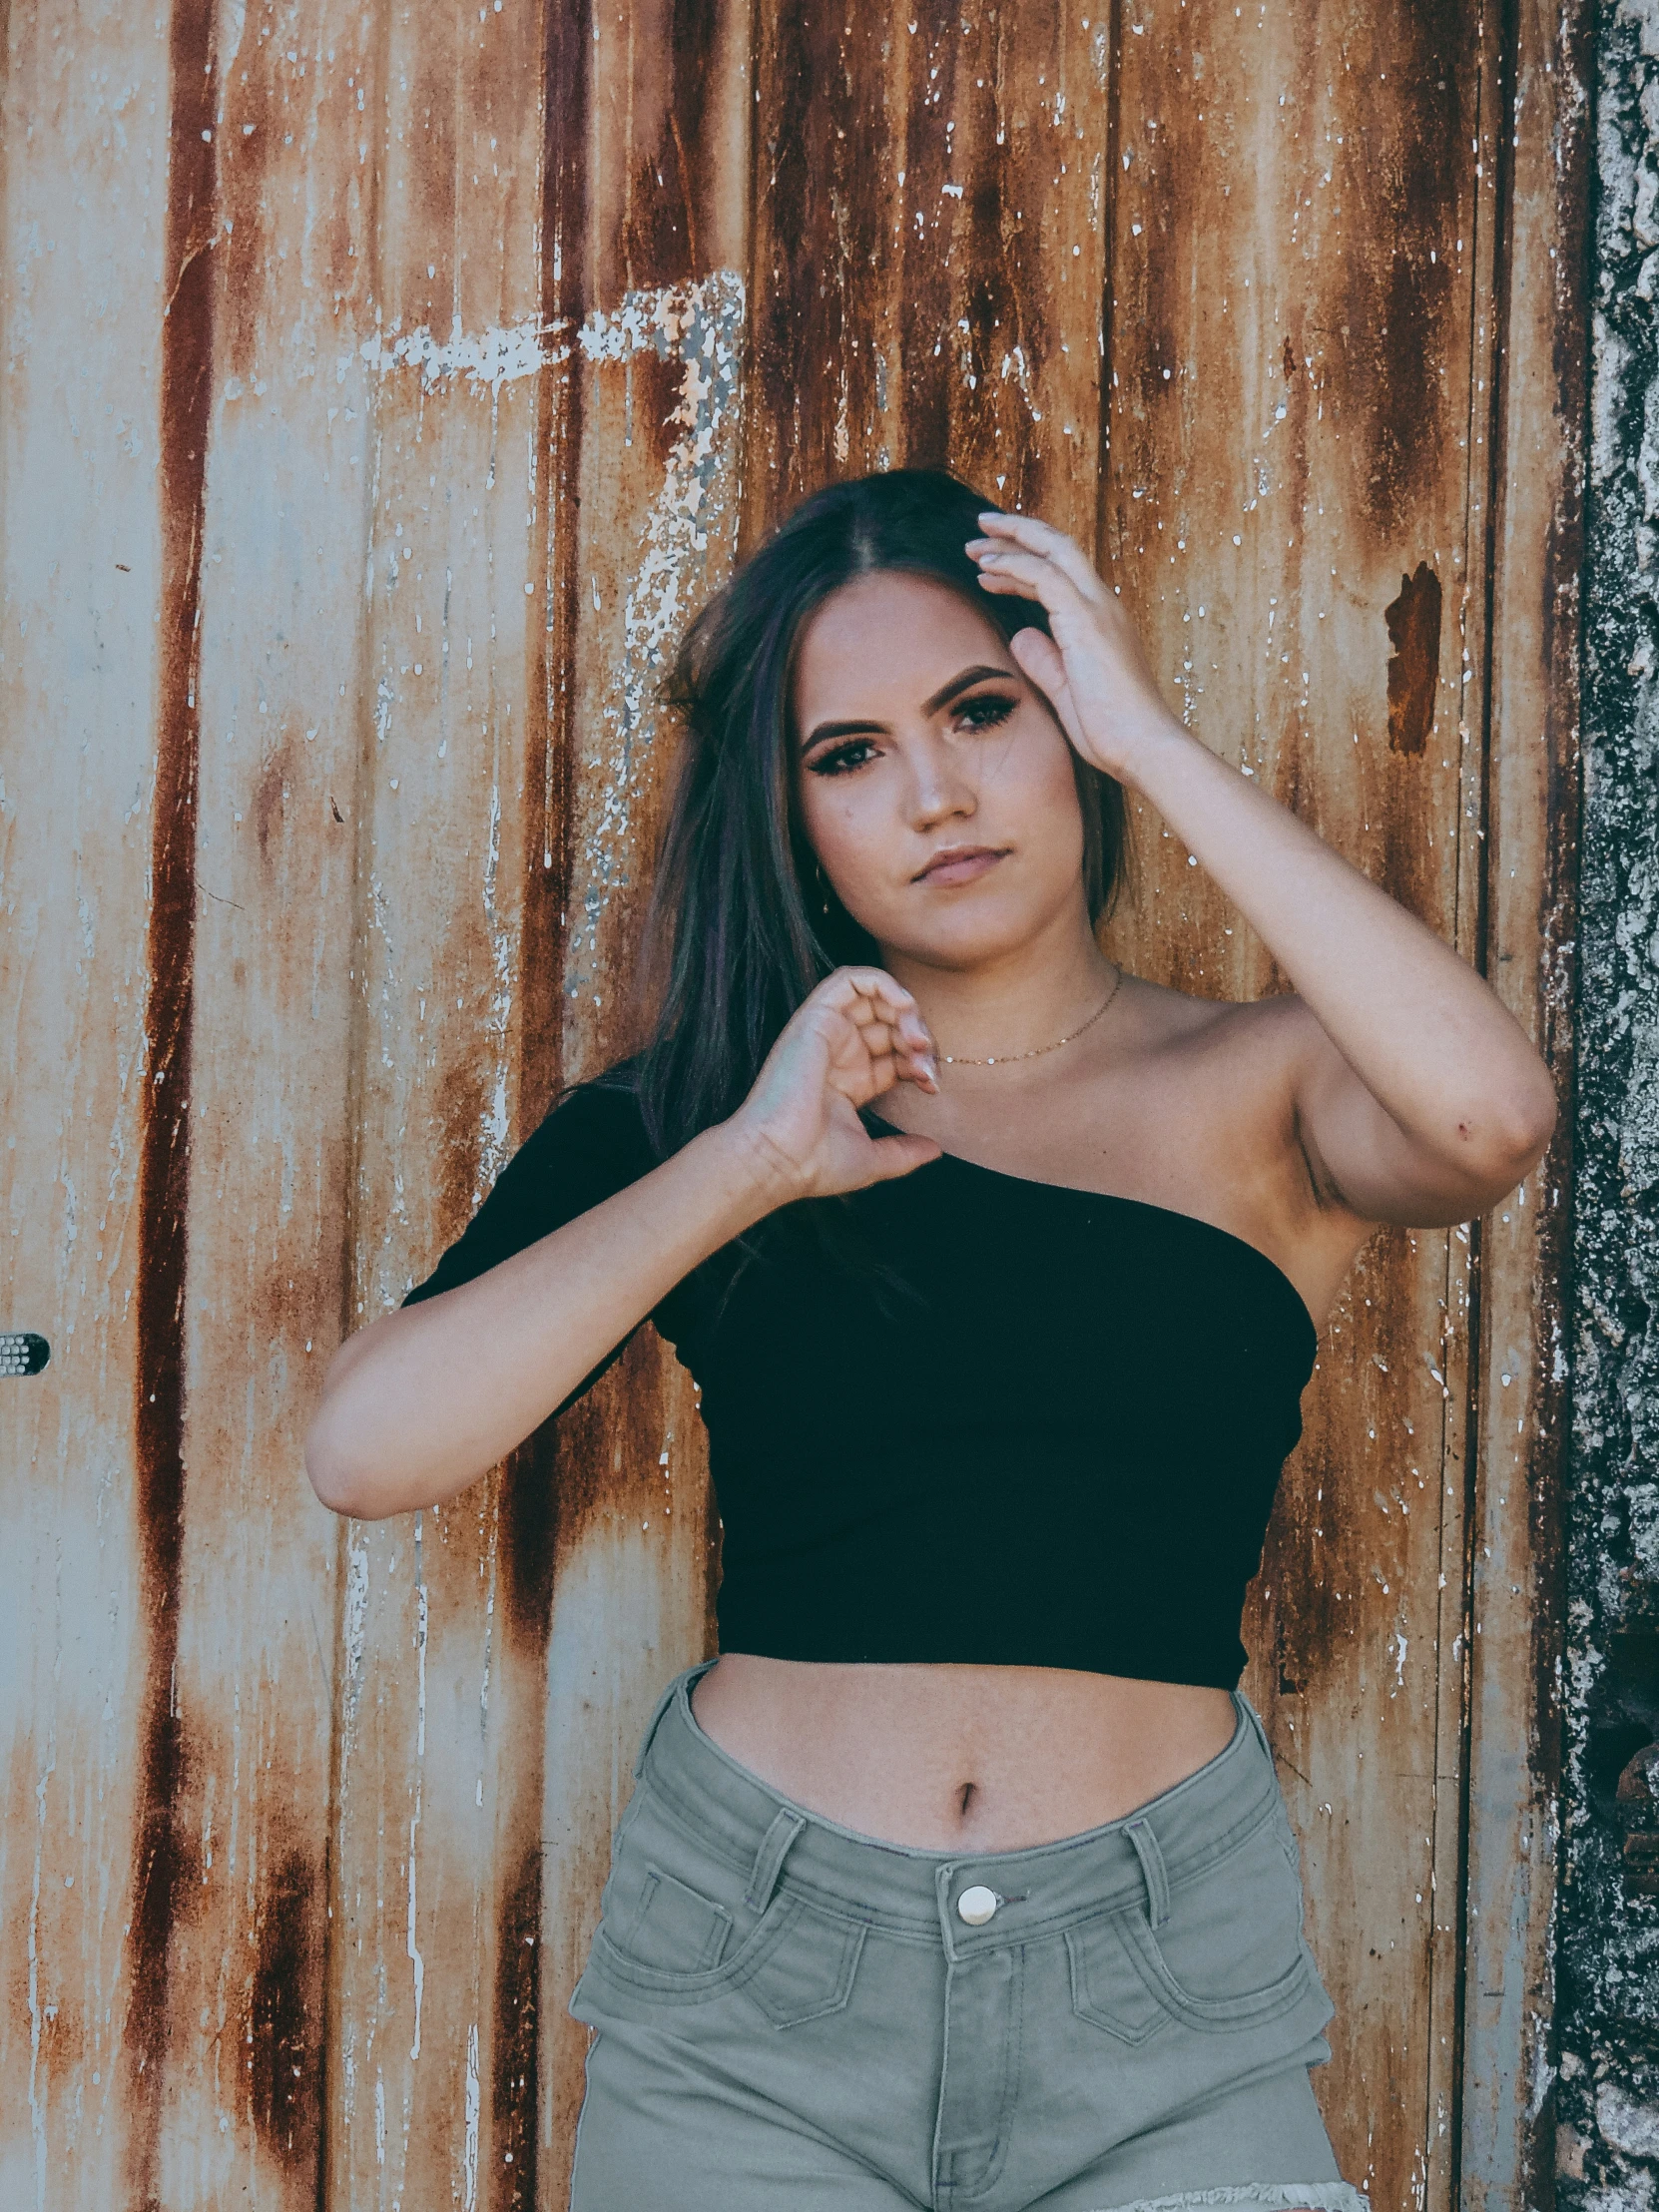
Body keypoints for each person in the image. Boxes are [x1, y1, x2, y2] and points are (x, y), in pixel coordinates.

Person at [305, 468, 1557, 2212]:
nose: (937, 794)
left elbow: (1489, 1117)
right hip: (754, 1993)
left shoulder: (1263, 1086)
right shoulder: (699, 1122)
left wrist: (1155, 743)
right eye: (849, 754)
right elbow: (367, 1449)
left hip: (1160, 2003)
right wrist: (749, 1161)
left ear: (1066, 724)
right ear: (789, 814)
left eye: (985, 711)